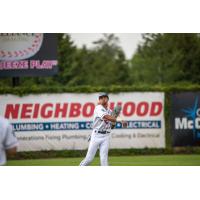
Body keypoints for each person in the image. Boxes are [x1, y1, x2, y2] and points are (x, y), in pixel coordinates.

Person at [80, 92, 127, 166]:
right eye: (101, 98)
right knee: (89, 159)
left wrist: (121, 121)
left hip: (106, 136)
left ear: (107, 99)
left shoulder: (110, 111)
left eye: (105, 97)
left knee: (104, 160)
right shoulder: (98, 108)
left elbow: (112, 126)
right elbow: (106, 117)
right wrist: (117, 120)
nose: (103, 99)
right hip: (96, 135)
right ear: (99, 100)